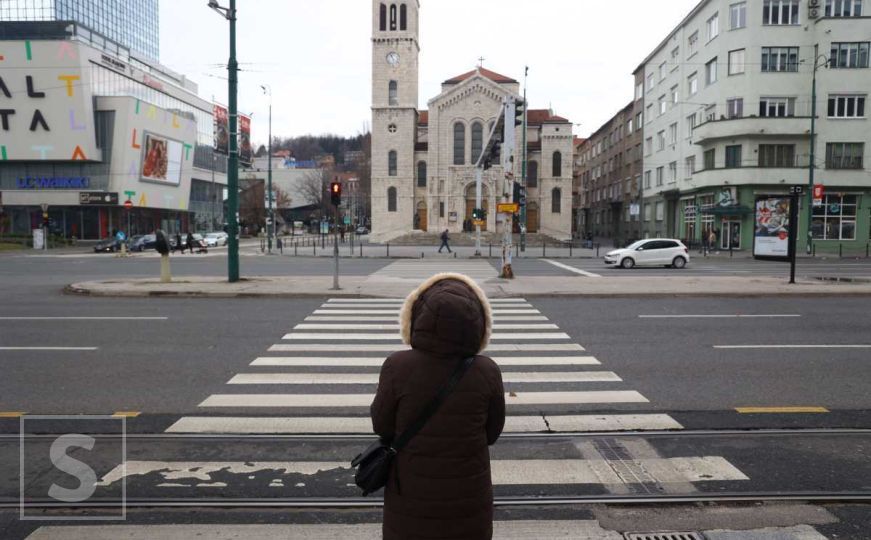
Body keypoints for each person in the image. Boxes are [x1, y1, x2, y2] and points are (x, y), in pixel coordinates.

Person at [371, 273, 505, 540]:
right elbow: (491, 433)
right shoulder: (487, 370)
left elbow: (381, 425)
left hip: (411, 492)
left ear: (417, 318)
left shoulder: (398, 366)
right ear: (478, 323)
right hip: (468, 495)